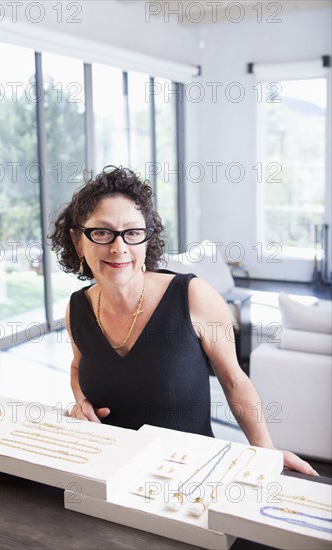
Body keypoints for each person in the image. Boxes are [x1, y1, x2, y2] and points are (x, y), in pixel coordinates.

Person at [50, 165, 317, 476]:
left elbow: (233, 380)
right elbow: (76, 366)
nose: (119, 247)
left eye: (133, 232)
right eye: (102, 232)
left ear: (147, 239)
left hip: (191, 474)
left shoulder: (193, 296)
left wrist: (265, 450)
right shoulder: (77, 308)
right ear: (78, 240)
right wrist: (81, 401)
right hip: (106, 469)